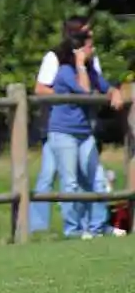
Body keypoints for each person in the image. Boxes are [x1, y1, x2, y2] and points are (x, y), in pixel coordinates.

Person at [29, 16, 110, 233]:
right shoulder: (56, 58)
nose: (91, 36)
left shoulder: (90, 59)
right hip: (57, 124)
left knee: (85, 178)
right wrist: (67, 97)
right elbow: (40, 89)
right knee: (49, 175)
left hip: (82, 124)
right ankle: (38, 228)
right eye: (86, 32)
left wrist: (112, 91)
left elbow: (98, 84)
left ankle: (90, 225)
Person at [48, 31, 123, 238]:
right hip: (64, 133)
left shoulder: (90, 72)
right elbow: (84, 90)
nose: (93, 50)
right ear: (78, 50)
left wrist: (115, 92)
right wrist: (80, 64)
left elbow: (105, 87)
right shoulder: (65, 72)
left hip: (84, 133)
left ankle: (99, 227)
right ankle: (73, 230)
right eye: (89, 46)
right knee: (71, 183)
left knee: (98, 179)